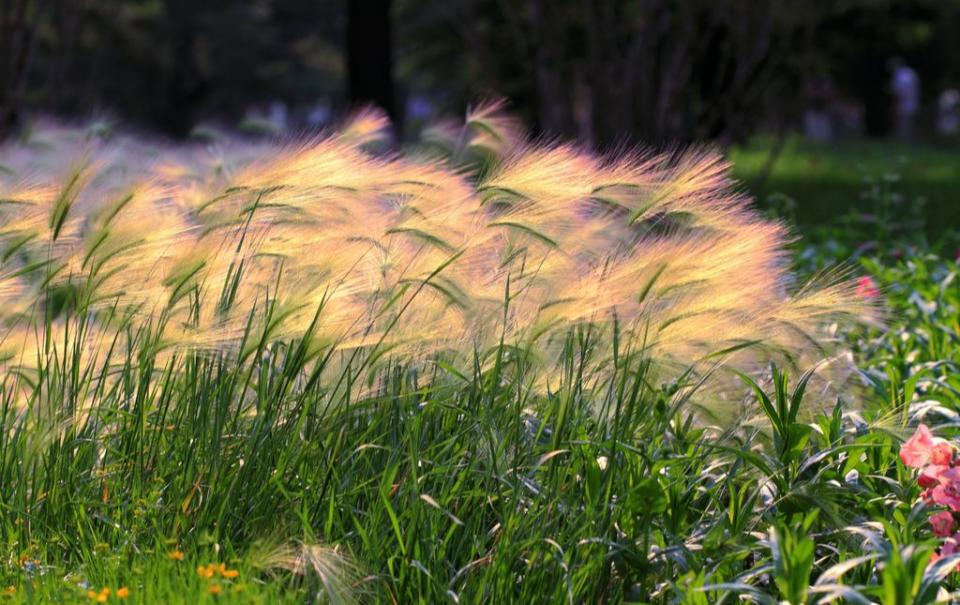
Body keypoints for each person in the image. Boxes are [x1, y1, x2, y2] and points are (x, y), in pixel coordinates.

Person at [888, 57, 920, 140]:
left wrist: (894, 108)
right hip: (913, 105)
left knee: (902, 130)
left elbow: (898, 93)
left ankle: (902, 147)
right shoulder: (911, 73)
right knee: (910, 130)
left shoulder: (899, 75)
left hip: (902, 107)